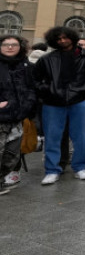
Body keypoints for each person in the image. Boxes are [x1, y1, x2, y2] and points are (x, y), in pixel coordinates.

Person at [33, 26, 85, 185]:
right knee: (52, 137)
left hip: (80, 101)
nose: (62, 41)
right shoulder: (46, 59)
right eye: (58, 39)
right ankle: (52, 170)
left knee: (81, 136)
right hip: (53, 103)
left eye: (65, 37)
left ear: (72, 38)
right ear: (54, 41)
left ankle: (81, 167)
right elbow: (36, 81)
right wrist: (48, 91)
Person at [0, 35, 36, 196]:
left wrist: (29, 105)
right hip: (1, 116)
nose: (9, 47)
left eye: (13, 44)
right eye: (6, 44)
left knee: (12, 154)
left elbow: (33, 88)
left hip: (18, 116)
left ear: (20, 46)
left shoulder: (26, 65)